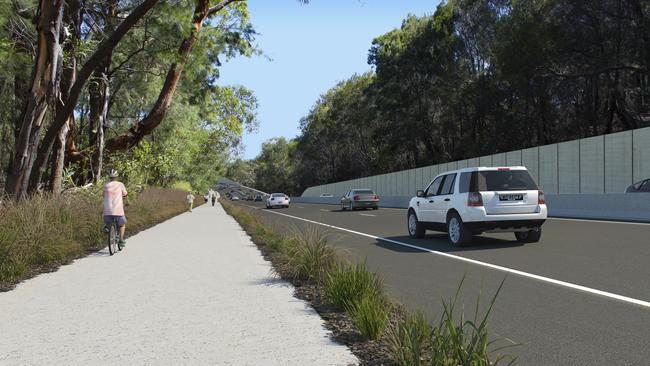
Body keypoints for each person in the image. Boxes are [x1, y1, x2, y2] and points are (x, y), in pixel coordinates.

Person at [103, 170, 128, 246]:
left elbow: (103, 195)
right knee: (122, 224)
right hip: (118, 210)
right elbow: (125, 195)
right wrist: (127, 202)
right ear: (116, 177)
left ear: (109, 177)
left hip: (107, 211)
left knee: (107, 222)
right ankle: (121, 240)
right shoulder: (120, 185)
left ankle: (107, 227)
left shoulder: (106, 185)